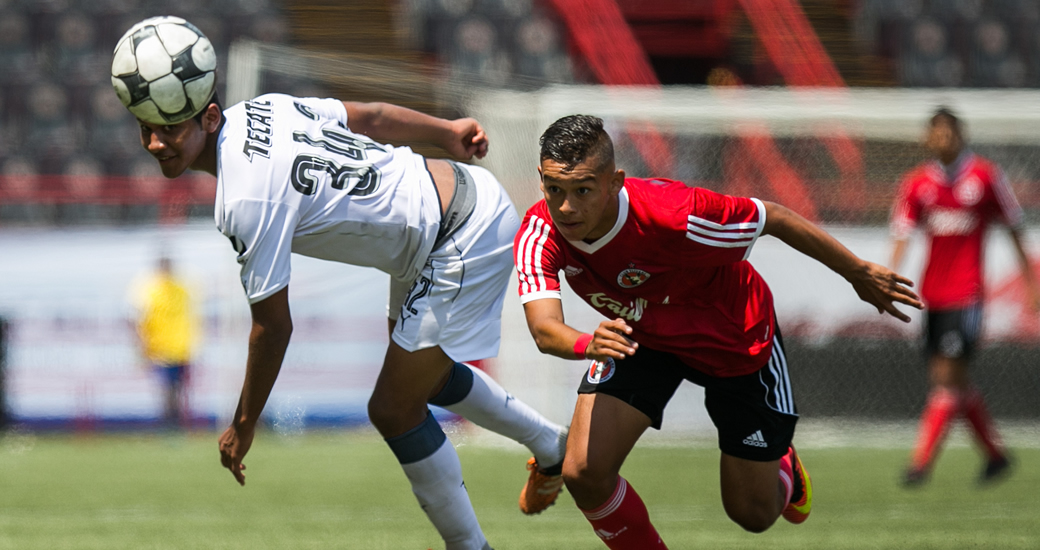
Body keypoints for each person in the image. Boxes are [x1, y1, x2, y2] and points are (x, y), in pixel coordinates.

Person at [113, 19, 568, 550]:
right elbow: (370, 116)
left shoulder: (244, 198)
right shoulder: (265, 109)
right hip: (447, 207)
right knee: (427, 379)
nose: (155, 142)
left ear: (210, 116)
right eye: (146, 127)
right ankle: (549, 444)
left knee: (394, 408)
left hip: (457, 231)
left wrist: (244, 423)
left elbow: (272, 327)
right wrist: (444, 133)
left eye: (169, 128)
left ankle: (472, 545)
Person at [515, 115, 922, 548]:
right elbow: (544, 329)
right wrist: (587, 344)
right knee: (584, 472)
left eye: (583, 190)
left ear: (615, 182)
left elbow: (773, 217)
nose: (567, 208)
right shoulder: (540, 232)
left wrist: (856, 272)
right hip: (642, 338)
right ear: (541, 180)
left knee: (752, 514)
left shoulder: (675, 214)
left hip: (733, 338)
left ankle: (782, 465)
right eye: (555, 190)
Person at [889, 107, 1039, 487]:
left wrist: (1030, 283)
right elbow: (901, 235)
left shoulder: (986, 176)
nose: (943, 140)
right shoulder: (916, 182)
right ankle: (996, 455)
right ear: (928, 139)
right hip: (932, 295)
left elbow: (1015, 227)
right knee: (954, 382)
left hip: (967, 294)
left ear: (961, 135)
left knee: (945, 378)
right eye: (937, 134)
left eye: (950, 133)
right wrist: (887, 280)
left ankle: (919, 465)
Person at [133, 256, 196, 430]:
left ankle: (177, 423)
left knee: (179, 388)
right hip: (160, 349)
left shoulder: (182, 289)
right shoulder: (150, 291)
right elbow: (140, 320)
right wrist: (143, 345)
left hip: (181, 348)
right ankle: (169, 422)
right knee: (167, 388)